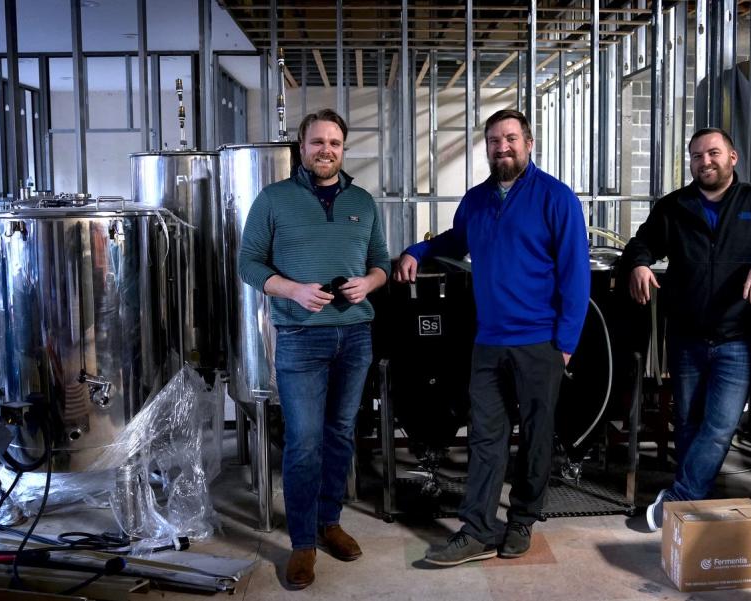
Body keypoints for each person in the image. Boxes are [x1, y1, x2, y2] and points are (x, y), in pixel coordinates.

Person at [395, 109, 590, 566]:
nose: (501, 148)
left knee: (537, 437)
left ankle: (521, 520)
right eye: (493, 141)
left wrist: (565, 344)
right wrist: (416, 250)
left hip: (540, 343)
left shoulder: (556, 199)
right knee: (486, 435)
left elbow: (576, 276)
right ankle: (478, 529)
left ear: (529, 143)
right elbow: (455, 239)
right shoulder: (477, 199)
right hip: (489, 344)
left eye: (510, 139)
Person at [621, 127, 751, 531]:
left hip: (736, 338)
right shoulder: (674, 207)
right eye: (696, 156)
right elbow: (640, 244)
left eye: (713, 153)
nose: (704, 161)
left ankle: (678, 499)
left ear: (733, 157)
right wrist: (640, 263)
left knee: (720, 425)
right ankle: (690, 501)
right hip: (685, 336)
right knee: (691, 423)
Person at [238, 108, 390, 589]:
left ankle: (329, 522)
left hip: (356, 336)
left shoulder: (363, 202)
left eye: (335, 143)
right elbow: (248, 263)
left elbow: (381, 262)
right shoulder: (274, 199)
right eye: (317, 142)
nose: (326, 150)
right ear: (301, 149)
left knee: (341, 434)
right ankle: (303, 543)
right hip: (301, 337)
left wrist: (369, 282)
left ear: (343, 149)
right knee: (304, 441)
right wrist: (294, 291)